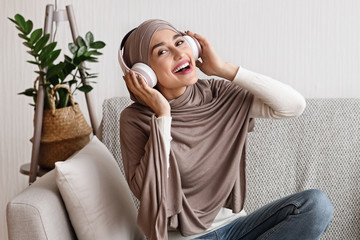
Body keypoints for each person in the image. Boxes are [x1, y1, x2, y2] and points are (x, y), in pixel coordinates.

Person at [119, 19, 333, 240]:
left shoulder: (218, 94)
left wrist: (224, 69)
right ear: (143, 73)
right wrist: (163, 115)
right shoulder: (135, 119)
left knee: (316, 205)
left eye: (181, 42)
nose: (179, 53)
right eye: (162, 52)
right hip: (187, 238)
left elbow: (293, 106)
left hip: (239, 228)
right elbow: (147, 191)